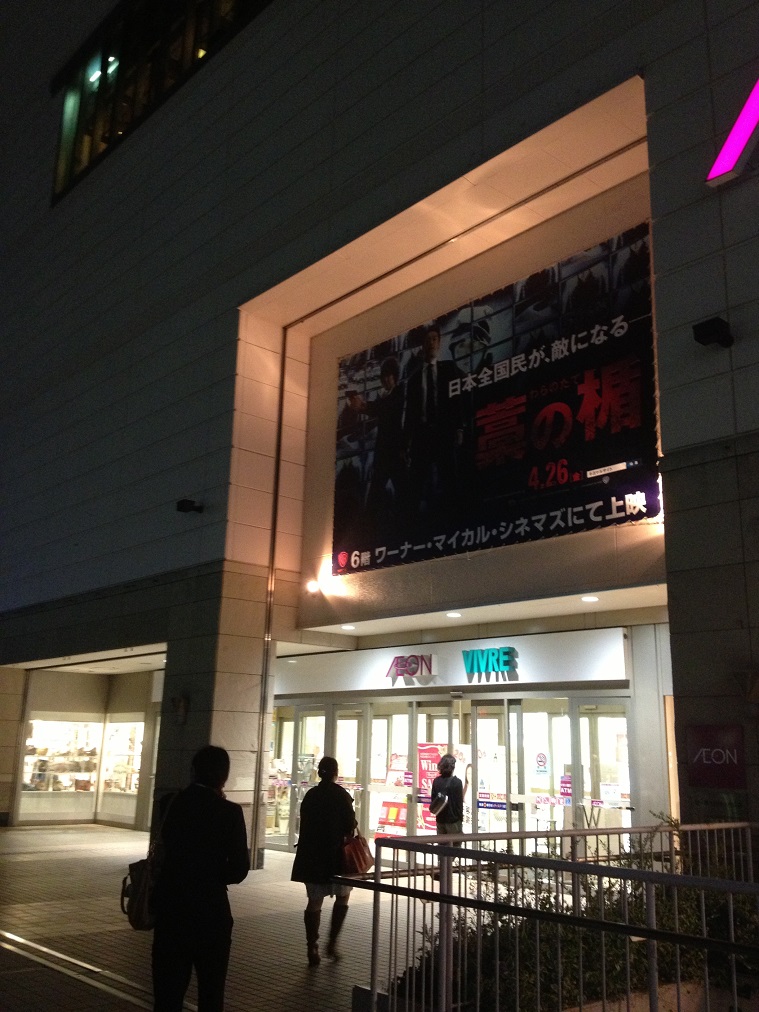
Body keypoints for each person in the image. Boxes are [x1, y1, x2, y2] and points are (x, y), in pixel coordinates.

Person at [152, 745, 249, 1012]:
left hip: (171, 909)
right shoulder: (230, 812)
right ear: (224, 776)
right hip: (211, 913)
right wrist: (212, 875)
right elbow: (239, 869)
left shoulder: (169, 803)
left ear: (193, 771)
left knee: (167, 996)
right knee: (211, 994)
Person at [291, 755, 357, 967]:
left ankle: (312, 946)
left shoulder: (311, 795)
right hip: (336, 856)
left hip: (312, 856)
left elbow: (303, 822)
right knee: (343, 896)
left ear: (319, 772)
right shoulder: (342, 795)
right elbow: (350, 824)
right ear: (336, 773)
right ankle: (332, 942)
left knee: (314, 901)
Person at [403, 325, 465, 523]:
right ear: (423, 345)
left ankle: (454, 520)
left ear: (439, 343)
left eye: (434, 339)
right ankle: (411, 525)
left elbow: (457, 400)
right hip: (422, 434)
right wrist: (406, 442)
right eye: (427, 340)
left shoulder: (449, 369)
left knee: (449, 476)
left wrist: (459, 427)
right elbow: (410, 413)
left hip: (443, 431)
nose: (431, 343)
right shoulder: (414, 379)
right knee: (416, 481)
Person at [431, 753, 464, 842]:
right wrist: (460, 819)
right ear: (452, 767)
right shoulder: (457, 782)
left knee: (442, 846)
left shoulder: (436, 781)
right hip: (453, 821)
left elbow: (433, 800)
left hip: (440, 820)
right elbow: (459, 805)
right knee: (455, 846)